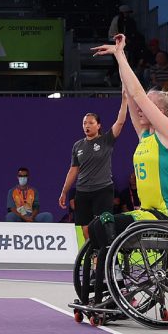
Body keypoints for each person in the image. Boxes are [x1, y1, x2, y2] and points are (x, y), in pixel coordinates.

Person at [91, 33, 168, 223]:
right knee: (99, 223)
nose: (141, 108)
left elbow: (137, 94)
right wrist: (119, 55)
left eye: (148, 105)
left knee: (107, 224)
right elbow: (130, 92)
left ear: (160, 111)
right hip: (148, 212)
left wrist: (120, 55)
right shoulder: (145, 135)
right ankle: (101, 255)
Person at [59, 95, 129, 238]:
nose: (87, 126)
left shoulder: (106, 140)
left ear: (98, 125)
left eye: (91, 123)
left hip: (103, 189)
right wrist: (64, 192)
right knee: (85, 227)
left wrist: (124, 100)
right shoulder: (77, 145)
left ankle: (103, 254)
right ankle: (92, 255)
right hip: (83, 191)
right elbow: (73, 170)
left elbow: (120, 122)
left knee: (102, 224)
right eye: (84, 123)